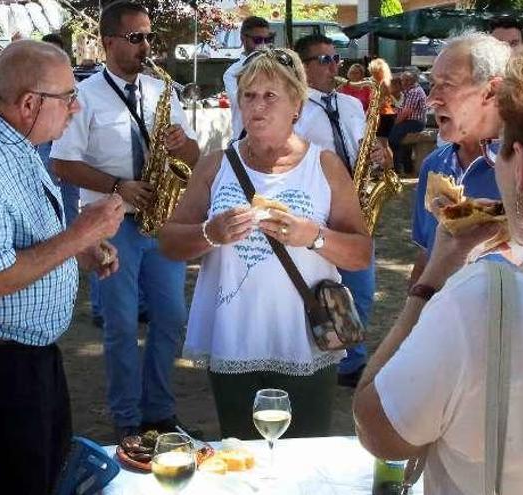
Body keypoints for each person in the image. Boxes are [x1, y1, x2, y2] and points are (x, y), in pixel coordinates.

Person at [354, 29, 523, 493]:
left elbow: (378, 428)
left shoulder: (477, 301)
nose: (434, 96)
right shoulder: (437, 164)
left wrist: (430, 288)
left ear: (522, 165)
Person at [0, 40, 124, 494]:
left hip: (24, 358)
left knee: (46, 478)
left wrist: (79, 249)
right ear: (30, 103)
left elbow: (20, 235)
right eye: (69, 97)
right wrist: (78, 235)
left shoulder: (10, 134)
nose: (76, 108)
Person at [159, 48, 371, 438]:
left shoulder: (323, 166)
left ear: (297, 105)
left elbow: (361, 254)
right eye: (248, 95)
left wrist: (314, 237)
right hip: (233, 339)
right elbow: (169, 242)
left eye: (269, 96)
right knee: (243, 457)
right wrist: (211, 233)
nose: (256, 106)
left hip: (306, 338)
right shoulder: (215, 166)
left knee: (305, 462)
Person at [51, 0, 201, 443]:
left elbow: (192, 157)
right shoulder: (85, 97)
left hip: (161, 222)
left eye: (149, 36)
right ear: (108, 42)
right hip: (112, 224)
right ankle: (128, 419)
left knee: (171, 318)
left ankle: (161, 410)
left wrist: (181, 145)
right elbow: (63, 163)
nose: (146, 46)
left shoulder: (163, 92)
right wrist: (118, 185)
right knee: (118, 326)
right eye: (136, 38)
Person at [293, 33, 375, 388]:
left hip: (355, 206)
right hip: (317, 211)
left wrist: (378, 158)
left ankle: (350, 362)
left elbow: (361, 151)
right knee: (320, 289)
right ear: (304, 68)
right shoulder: (295, 109)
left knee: (362, 291)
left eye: (336, 58)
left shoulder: (353, 105)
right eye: (324, 60)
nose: (334, 66)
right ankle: (318, 358)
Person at [408, 33, 510, 287]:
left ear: (491, 91)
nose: (431, 99)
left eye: (447, 84)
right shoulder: (434, 165)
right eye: (433, 84)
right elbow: (426, 255)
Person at [37, 31, 81, 225]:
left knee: (70, 198)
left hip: (68, 147)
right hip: (45, 145)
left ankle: (71, 237)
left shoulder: (73, 83)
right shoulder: (34, 84)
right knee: (47, 195)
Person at [223, 15, 273, 139]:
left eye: (267, 40)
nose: (263, 45)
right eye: (257, 40)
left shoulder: (277, 67)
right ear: (243, 39)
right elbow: (242, 102)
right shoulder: (232, 72)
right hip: (244, 140)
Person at [388, 71, 427, 174]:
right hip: (409, 121)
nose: (403, 82)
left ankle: (395, 169)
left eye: (407, 80)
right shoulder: (408, 91)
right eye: (402, 80)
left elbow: (405, 112)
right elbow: (400, 108)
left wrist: (394, 123)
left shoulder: (414, 91)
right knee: (400, 141)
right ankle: (406, 168)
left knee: (391, 139)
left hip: (415, 122)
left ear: (413, 80)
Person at [368, 58, 396, 138]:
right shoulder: (380, 81)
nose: (373, 73)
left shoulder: (383, 83)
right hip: (384, 114)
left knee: (381, 143)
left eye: (375, 71)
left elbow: (382, 101)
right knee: (383, 144)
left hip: (383, 115)